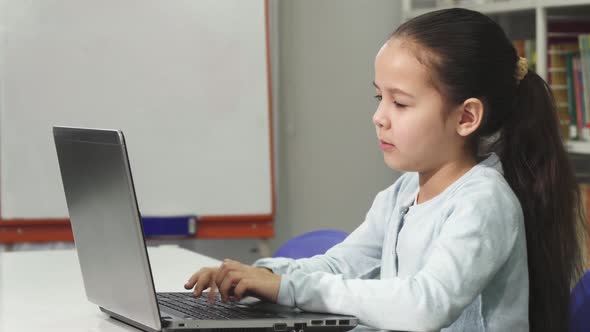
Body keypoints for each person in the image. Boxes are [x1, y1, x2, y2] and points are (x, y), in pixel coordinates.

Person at [184, 8, 587, 332]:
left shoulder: (483, 202)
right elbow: (342, 265)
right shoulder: (402, 194)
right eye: (379, 97)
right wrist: (258, 276)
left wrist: (291, 288)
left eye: (401, 103)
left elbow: (423, 306)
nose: (379, 117)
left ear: (466, 117)